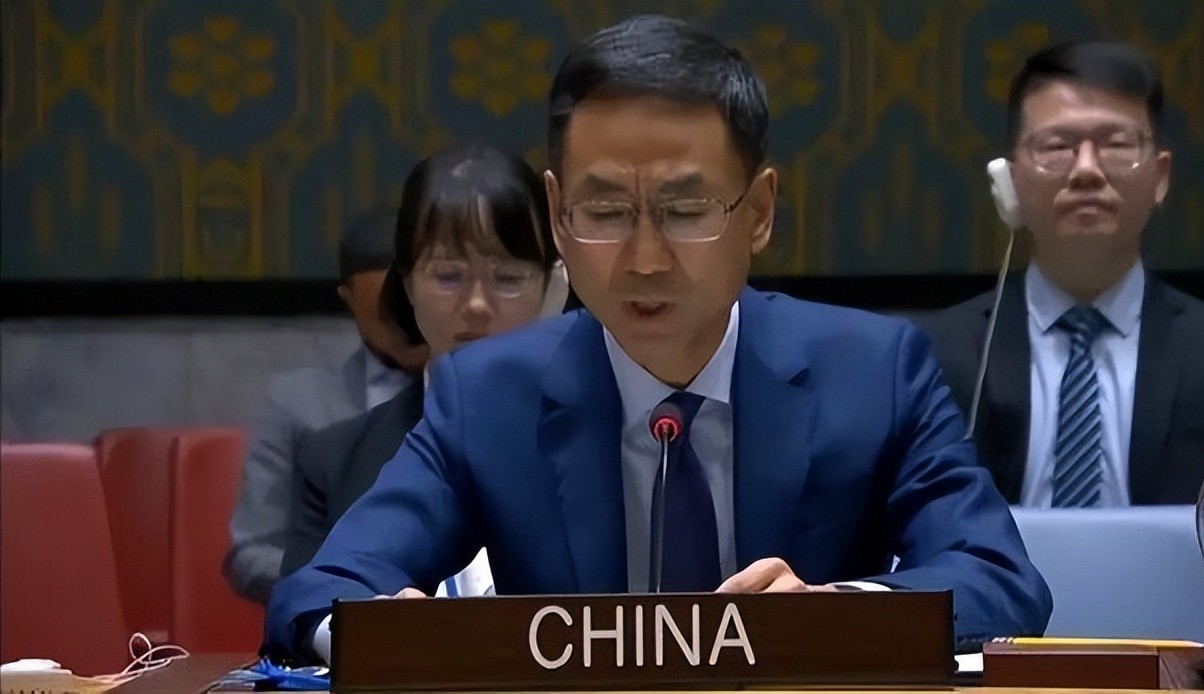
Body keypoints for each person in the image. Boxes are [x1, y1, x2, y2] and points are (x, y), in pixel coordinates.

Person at [266, 15, 1051, 664]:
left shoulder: (873, 371)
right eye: (605, 213)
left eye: (685, 210)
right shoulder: (489, 394)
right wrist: (381, 633)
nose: (644, 259)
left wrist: (830, 611)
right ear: (557, 217)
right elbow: (320, 590)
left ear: (759, 212)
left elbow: (998, 579)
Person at [920, 41, 1204, 558]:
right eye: (1057, 146)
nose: (1086, 170)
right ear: (1010, 181)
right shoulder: (934, 356)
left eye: (1116, 144)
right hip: (995, 610)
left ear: (1159, 177)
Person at [279, 144, 562, 593]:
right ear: (408, 281)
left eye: (508, 278)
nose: (476, 304)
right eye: (449, 276)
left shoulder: (607, 434)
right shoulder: (334, 460)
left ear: (552, 285)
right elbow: (301, 610)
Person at [225, 210, 431, 603]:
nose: (403, 325)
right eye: (385, 313)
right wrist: (340, 587)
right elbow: (252, 551)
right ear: (348, 300)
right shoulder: (300, 405)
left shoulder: (474, 396)